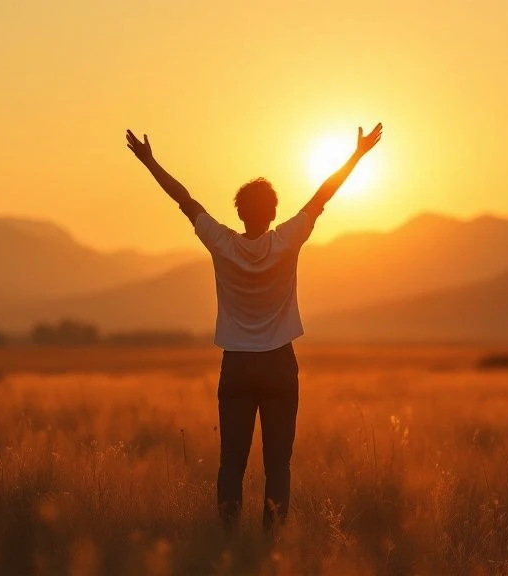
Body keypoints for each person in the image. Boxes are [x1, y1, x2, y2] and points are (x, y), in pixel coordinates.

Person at [125, 123, 383, 532]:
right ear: (274, 213)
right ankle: (271, 549)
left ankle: (228, 543)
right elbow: (321, 197)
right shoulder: (287, 240)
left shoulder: (222, 243)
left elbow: (185, 200)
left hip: (237, 365)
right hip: (280, 364)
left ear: (240, 212)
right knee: (278, 463)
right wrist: (357, 156)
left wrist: (150, 161)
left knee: (232, 461)